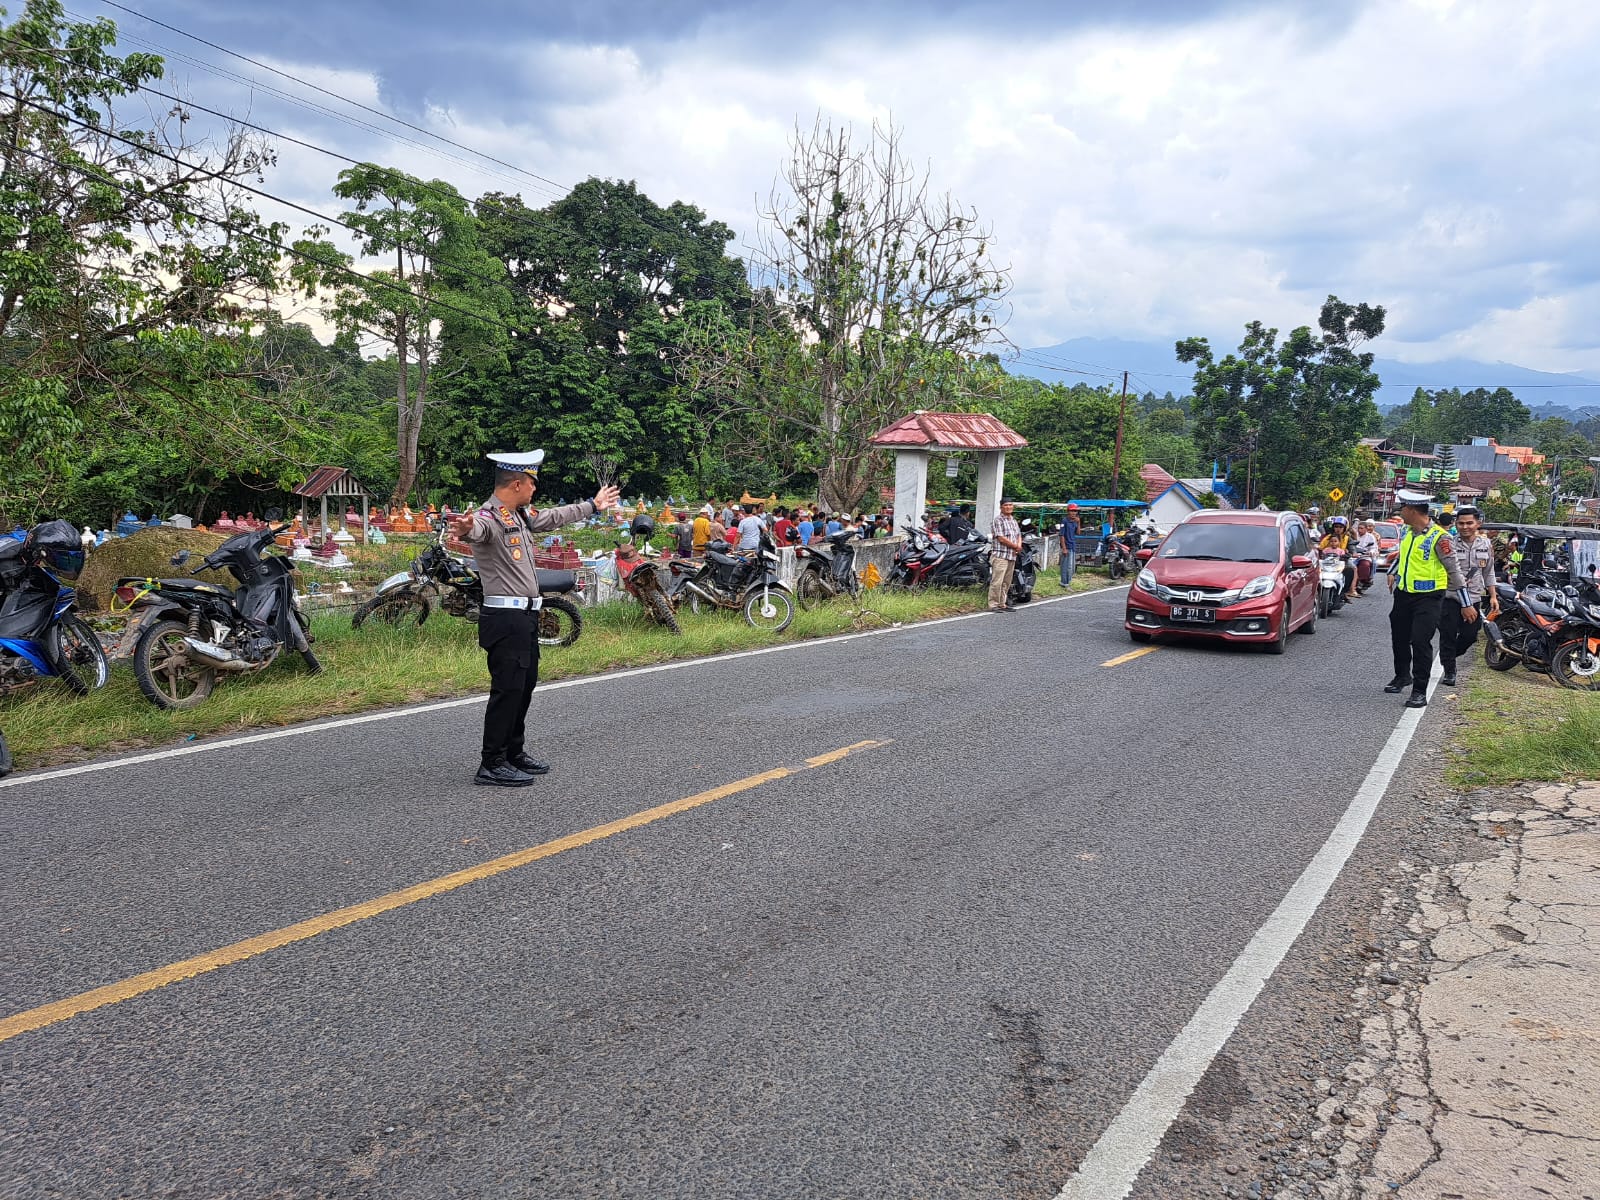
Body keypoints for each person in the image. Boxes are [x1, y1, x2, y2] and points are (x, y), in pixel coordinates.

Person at [448, 450, 619, 787]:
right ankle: (491, 762)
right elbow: (476, 531)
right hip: (504, 618)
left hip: (524, 617)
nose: (534, 490)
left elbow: (552, 518)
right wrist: (466, 529)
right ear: (516, 483)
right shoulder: (489, 518)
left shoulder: (518, 516)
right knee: (507, 690)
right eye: (532, 483)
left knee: (524, 688)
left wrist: (592, 505)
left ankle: (513, 752)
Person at [1385, 490, 1471, 709]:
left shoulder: (1440, 537)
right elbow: (1404, 556)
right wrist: (1392, 571)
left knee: (1420, 641)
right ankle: (1402, 675)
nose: (1401, 512)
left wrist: (1466, 602)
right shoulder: (1406, 531)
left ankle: (1419, 691)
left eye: (1403, 508)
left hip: (1429, 597)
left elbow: (1454, 571)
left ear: (1412, 510)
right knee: (1400, 637)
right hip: (1404, 593)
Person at [1439, 506, 1497, 687]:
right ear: (1456, 524)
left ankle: (1448, 656)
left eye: (1469, 523)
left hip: (1474, 597)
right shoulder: (1449, 543)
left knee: (1470, 635)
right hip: (1450, 596)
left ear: (1478, 524)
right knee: (1447, 634)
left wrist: (1493, 595)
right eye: (1461, 523)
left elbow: (1488, 571)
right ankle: (1450, 670)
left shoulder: (1486, 545)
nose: (1465, 527)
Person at [988, 498, 1023, 613]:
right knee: (997, 581)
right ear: (1001, 507)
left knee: (1006, 582)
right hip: (1000, 555)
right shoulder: (998, 520)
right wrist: (1015, 546)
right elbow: (1001, 538)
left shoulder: (1013, 520)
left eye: (1010, 505)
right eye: (1006, 505)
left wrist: (1018, 545)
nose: (1008, 507)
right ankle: (993, 604)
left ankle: (1002, 603)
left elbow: (1018, 535)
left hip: (1011, 556)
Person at [1319, 515, 1358, 601]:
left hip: (1342, 560)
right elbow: (1320, 547)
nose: (1338, 529)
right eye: (1336, 526)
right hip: (1327, 561)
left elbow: (1352, 548)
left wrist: (1351, 553)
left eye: (1341, 527)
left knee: (1352, 568)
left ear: (1345, 528)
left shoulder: (1348, 538)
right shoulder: (1327, 537)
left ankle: (1348, 590)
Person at [1058, 503, 1080, 587]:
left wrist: (1078, 523)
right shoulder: (1064, 521)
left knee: (1072, 567)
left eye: (1075, 511)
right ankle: (1064, 583)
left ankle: (1068, 582)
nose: (1074, 513)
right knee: (1066, 566)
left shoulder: (1074, 521)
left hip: (1072, 546)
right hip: (1066, 546)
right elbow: (1061, 535)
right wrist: (1064, 548)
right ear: (1068, 512)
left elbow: (1078, 533)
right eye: (1072, 511)